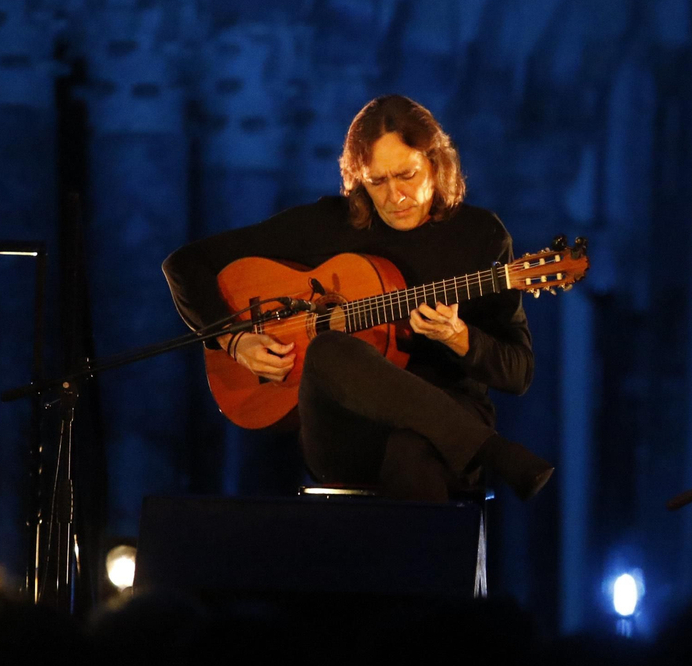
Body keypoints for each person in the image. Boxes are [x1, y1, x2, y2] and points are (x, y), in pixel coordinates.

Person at [163, 94, 553, 502]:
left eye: (406, 175)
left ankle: (469, 460)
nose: (394, 196)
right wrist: (234, 339)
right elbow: (185, 265)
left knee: (411, 453)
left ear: (436, 164)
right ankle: (495, 452)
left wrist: (459, 337)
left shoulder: (480, 236)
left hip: (443, 434)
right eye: (376, 181)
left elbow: (518, 373)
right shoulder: (330, 224)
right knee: (329, 348)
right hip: (345, 435)